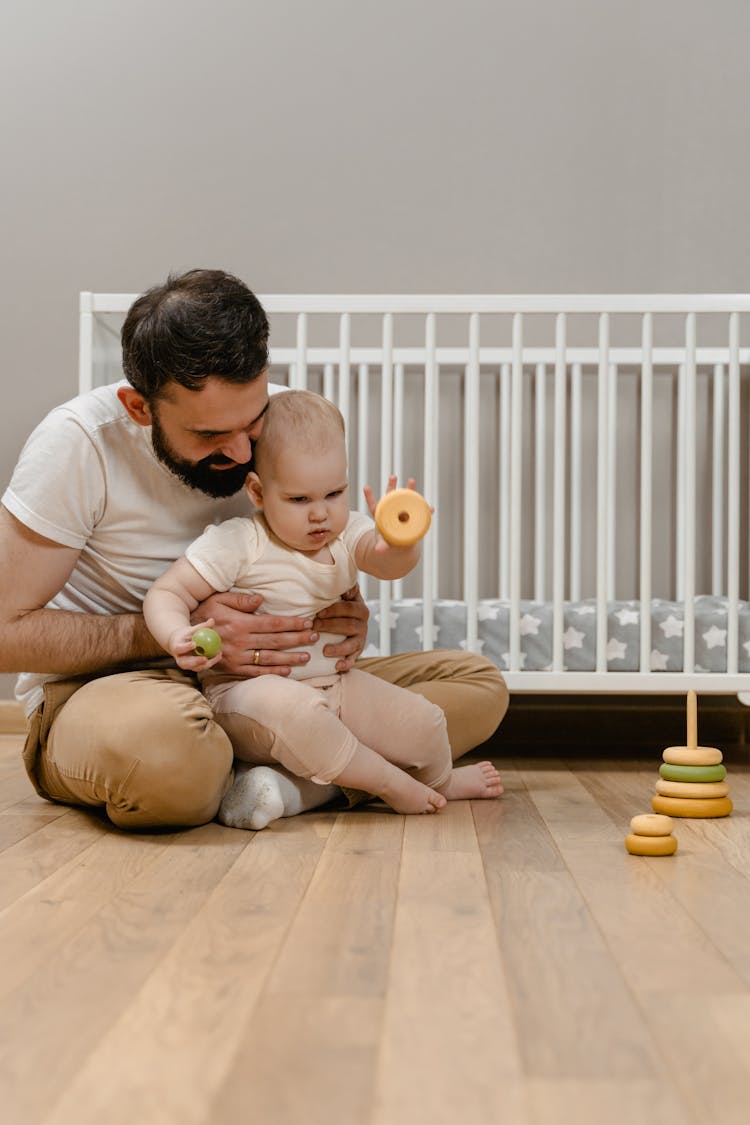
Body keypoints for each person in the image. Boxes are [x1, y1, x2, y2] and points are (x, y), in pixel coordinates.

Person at [0, 268, 509, 831]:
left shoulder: (287, 419)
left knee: (479, 686)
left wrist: (348, 608)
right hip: (122, 689)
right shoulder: (78, 444)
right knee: (172, 760)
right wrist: (170, 634)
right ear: (140, 407)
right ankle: (311, 773)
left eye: (253, 419)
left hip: (287, 681)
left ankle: (282, 785)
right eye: (209, 435)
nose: (243, 451)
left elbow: (327, 538)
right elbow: (4, 633)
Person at [143, 389, 504, 827]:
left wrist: (400, 543)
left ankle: (437, 780)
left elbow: (385, 563)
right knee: (296, 714)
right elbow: (166, 594)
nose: (320, 515)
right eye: (299, 500)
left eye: (334, 493)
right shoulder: (238, 542)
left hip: (336, 685)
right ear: (258, 492)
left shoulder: (348, 531)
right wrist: (175, 633)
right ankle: (387, 783)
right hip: (246, 695)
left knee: (426, 722)